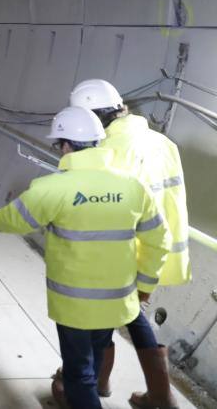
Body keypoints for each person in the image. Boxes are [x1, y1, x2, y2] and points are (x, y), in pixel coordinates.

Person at [0, 106, 171, 409]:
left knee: (78, 375)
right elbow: (158, 239)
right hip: (114, 301)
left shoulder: (52, 188)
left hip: (74, 306)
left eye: (59, 145)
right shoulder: (134, 188)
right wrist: (145, 284)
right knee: (94, 359)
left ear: (67, 146)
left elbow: (13, 219)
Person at [70, 79, 188, 408]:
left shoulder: (108, 150)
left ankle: (90, 384)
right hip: (155, 250)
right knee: (130, 316)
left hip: (120, 250)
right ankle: (156, 394)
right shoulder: (163, 143)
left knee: (100, 318)